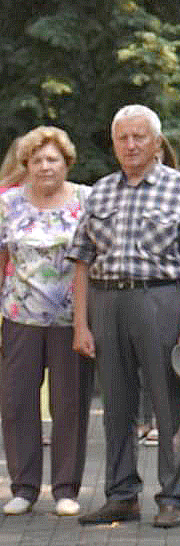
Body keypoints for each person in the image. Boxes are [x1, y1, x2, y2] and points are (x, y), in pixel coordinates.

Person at [68, 105, 180, 529]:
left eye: (140, 137)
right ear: (114, 143)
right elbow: (81, 261)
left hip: (161, 303)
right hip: (107, 304)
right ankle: (121, 495)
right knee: (116, 403)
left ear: (157, 142)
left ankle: (172, 497)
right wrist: (81, 324)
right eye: (123, 138)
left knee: (168, 401)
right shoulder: (98, 192)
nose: (131, 145)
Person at [0, 126, 93, 517]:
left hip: (72, 320)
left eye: (52, 158)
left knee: (69, 403)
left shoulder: (86, 200)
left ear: (66, 162)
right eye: (36, 160)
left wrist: (86, 323)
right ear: (26, 164)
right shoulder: (7, 204)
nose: (44, 166)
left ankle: (66, 489)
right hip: (19, 317)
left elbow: (93, 260)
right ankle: (23, 488)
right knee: (17, 401)